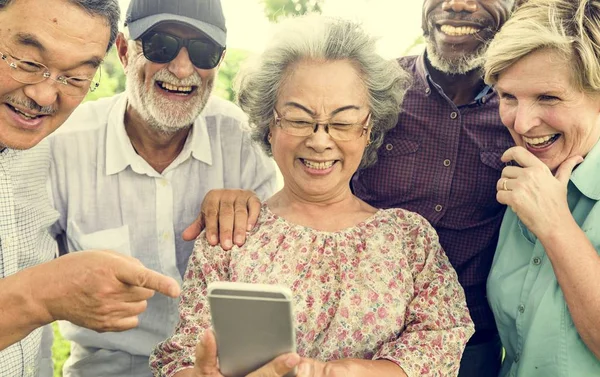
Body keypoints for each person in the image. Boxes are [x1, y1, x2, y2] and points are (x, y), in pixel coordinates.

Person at [188, 1, 517, 376]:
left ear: (369, 128)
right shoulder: (231, 236)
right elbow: (184, 354)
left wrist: (341, 372)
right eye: (298, 118)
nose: (319, 140)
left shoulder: (411, 238)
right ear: (269, 123)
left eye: (342, 123)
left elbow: (437, 340)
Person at [47, 0, 279, 376]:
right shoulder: (63, 146)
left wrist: (256, 212)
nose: (183, 68)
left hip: (220, 366)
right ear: (124, 51)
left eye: (203, 51)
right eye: (161, 45)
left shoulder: (241, 140)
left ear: (217, 64)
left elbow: (278, 275)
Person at [0, 0, 181, 375]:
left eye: (75, 77)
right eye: (28, 63)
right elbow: (42, 295)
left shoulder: (47, 149)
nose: (45, 96)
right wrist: (40, 295)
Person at [483, 0, 600, 375]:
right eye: (508, 97)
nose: (523, 122)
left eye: (548, 97)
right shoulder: (526, 176)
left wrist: (555, 225)